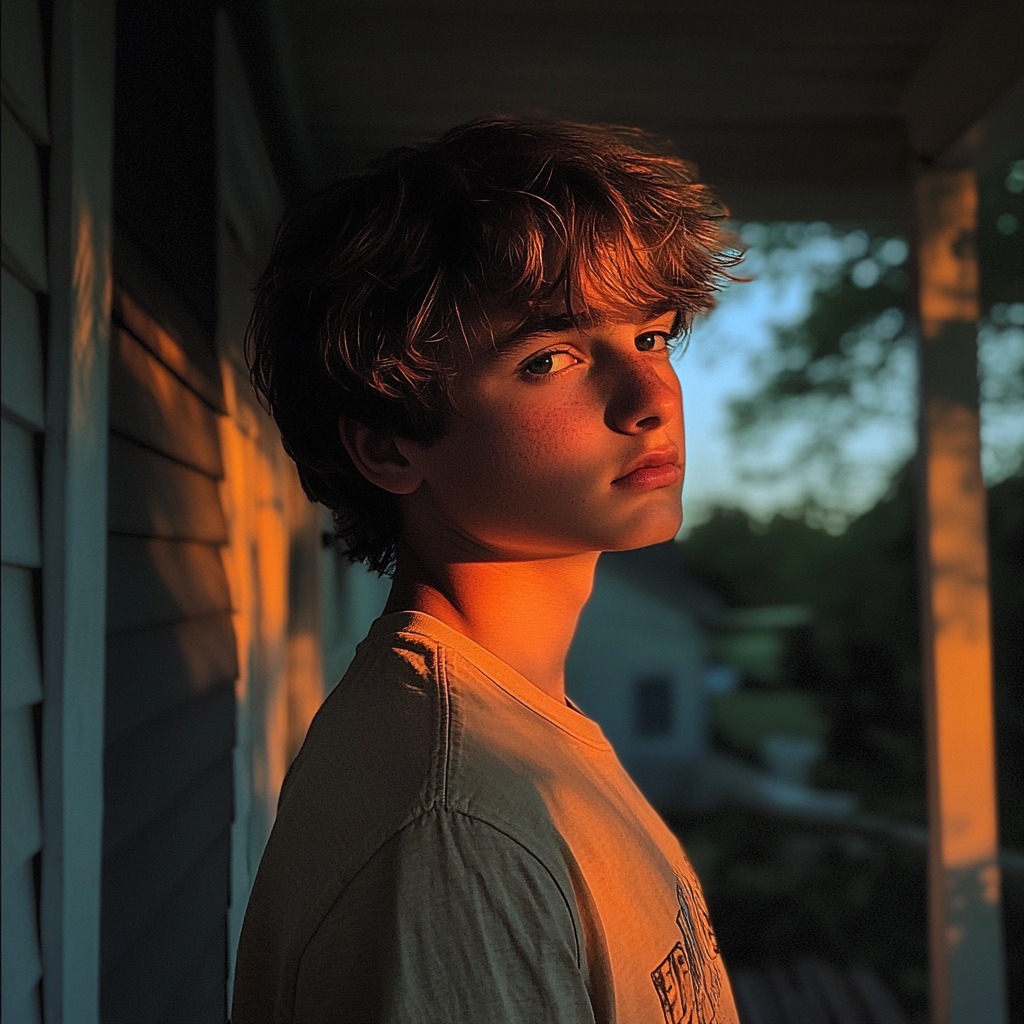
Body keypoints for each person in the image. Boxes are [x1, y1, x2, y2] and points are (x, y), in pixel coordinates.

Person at [231, 116, 740, 1024]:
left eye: (653, 337)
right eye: (551, 358)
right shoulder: (452, 832)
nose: (650, 400)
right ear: (390, 445)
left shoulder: (518, 726)